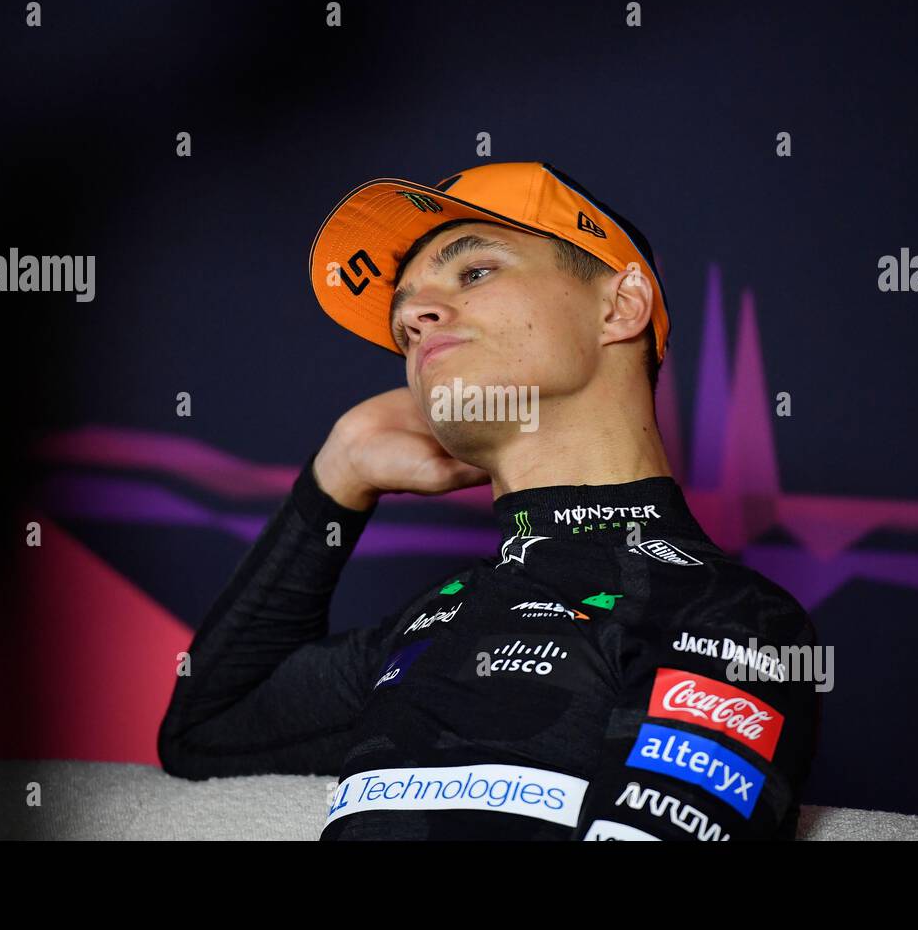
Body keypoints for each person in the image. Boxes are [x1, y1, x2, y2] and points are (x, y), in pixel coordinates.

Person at [157, 161, 821, 840]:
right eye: (402, 325)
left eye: (474, 272)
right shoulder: (432, 620)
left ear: (620, 307)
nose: (413, 320)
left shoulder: (729, 616)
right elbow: (205, 733)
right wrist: (339, 473)